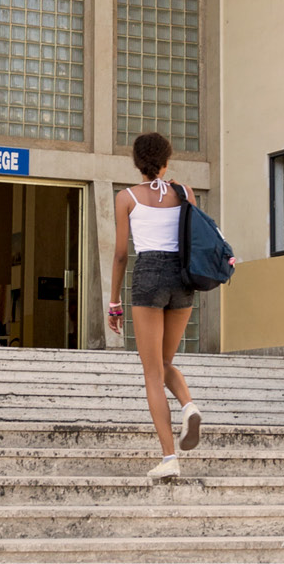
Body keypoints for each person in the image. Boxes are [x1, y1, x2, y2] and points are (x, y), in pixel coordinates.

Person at [109, 132, 209, 480]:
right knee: (166, 362)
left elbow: (122, 254)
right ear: (167, 161)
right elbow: (196, 238)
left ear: (137, 162)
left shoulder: (127, 198)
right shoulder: (185, 193)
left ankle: (169, 458)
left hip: (149, 275)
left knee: (152, 372)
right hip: (182, 280)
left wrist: (114, 301)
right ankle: (189, 405)